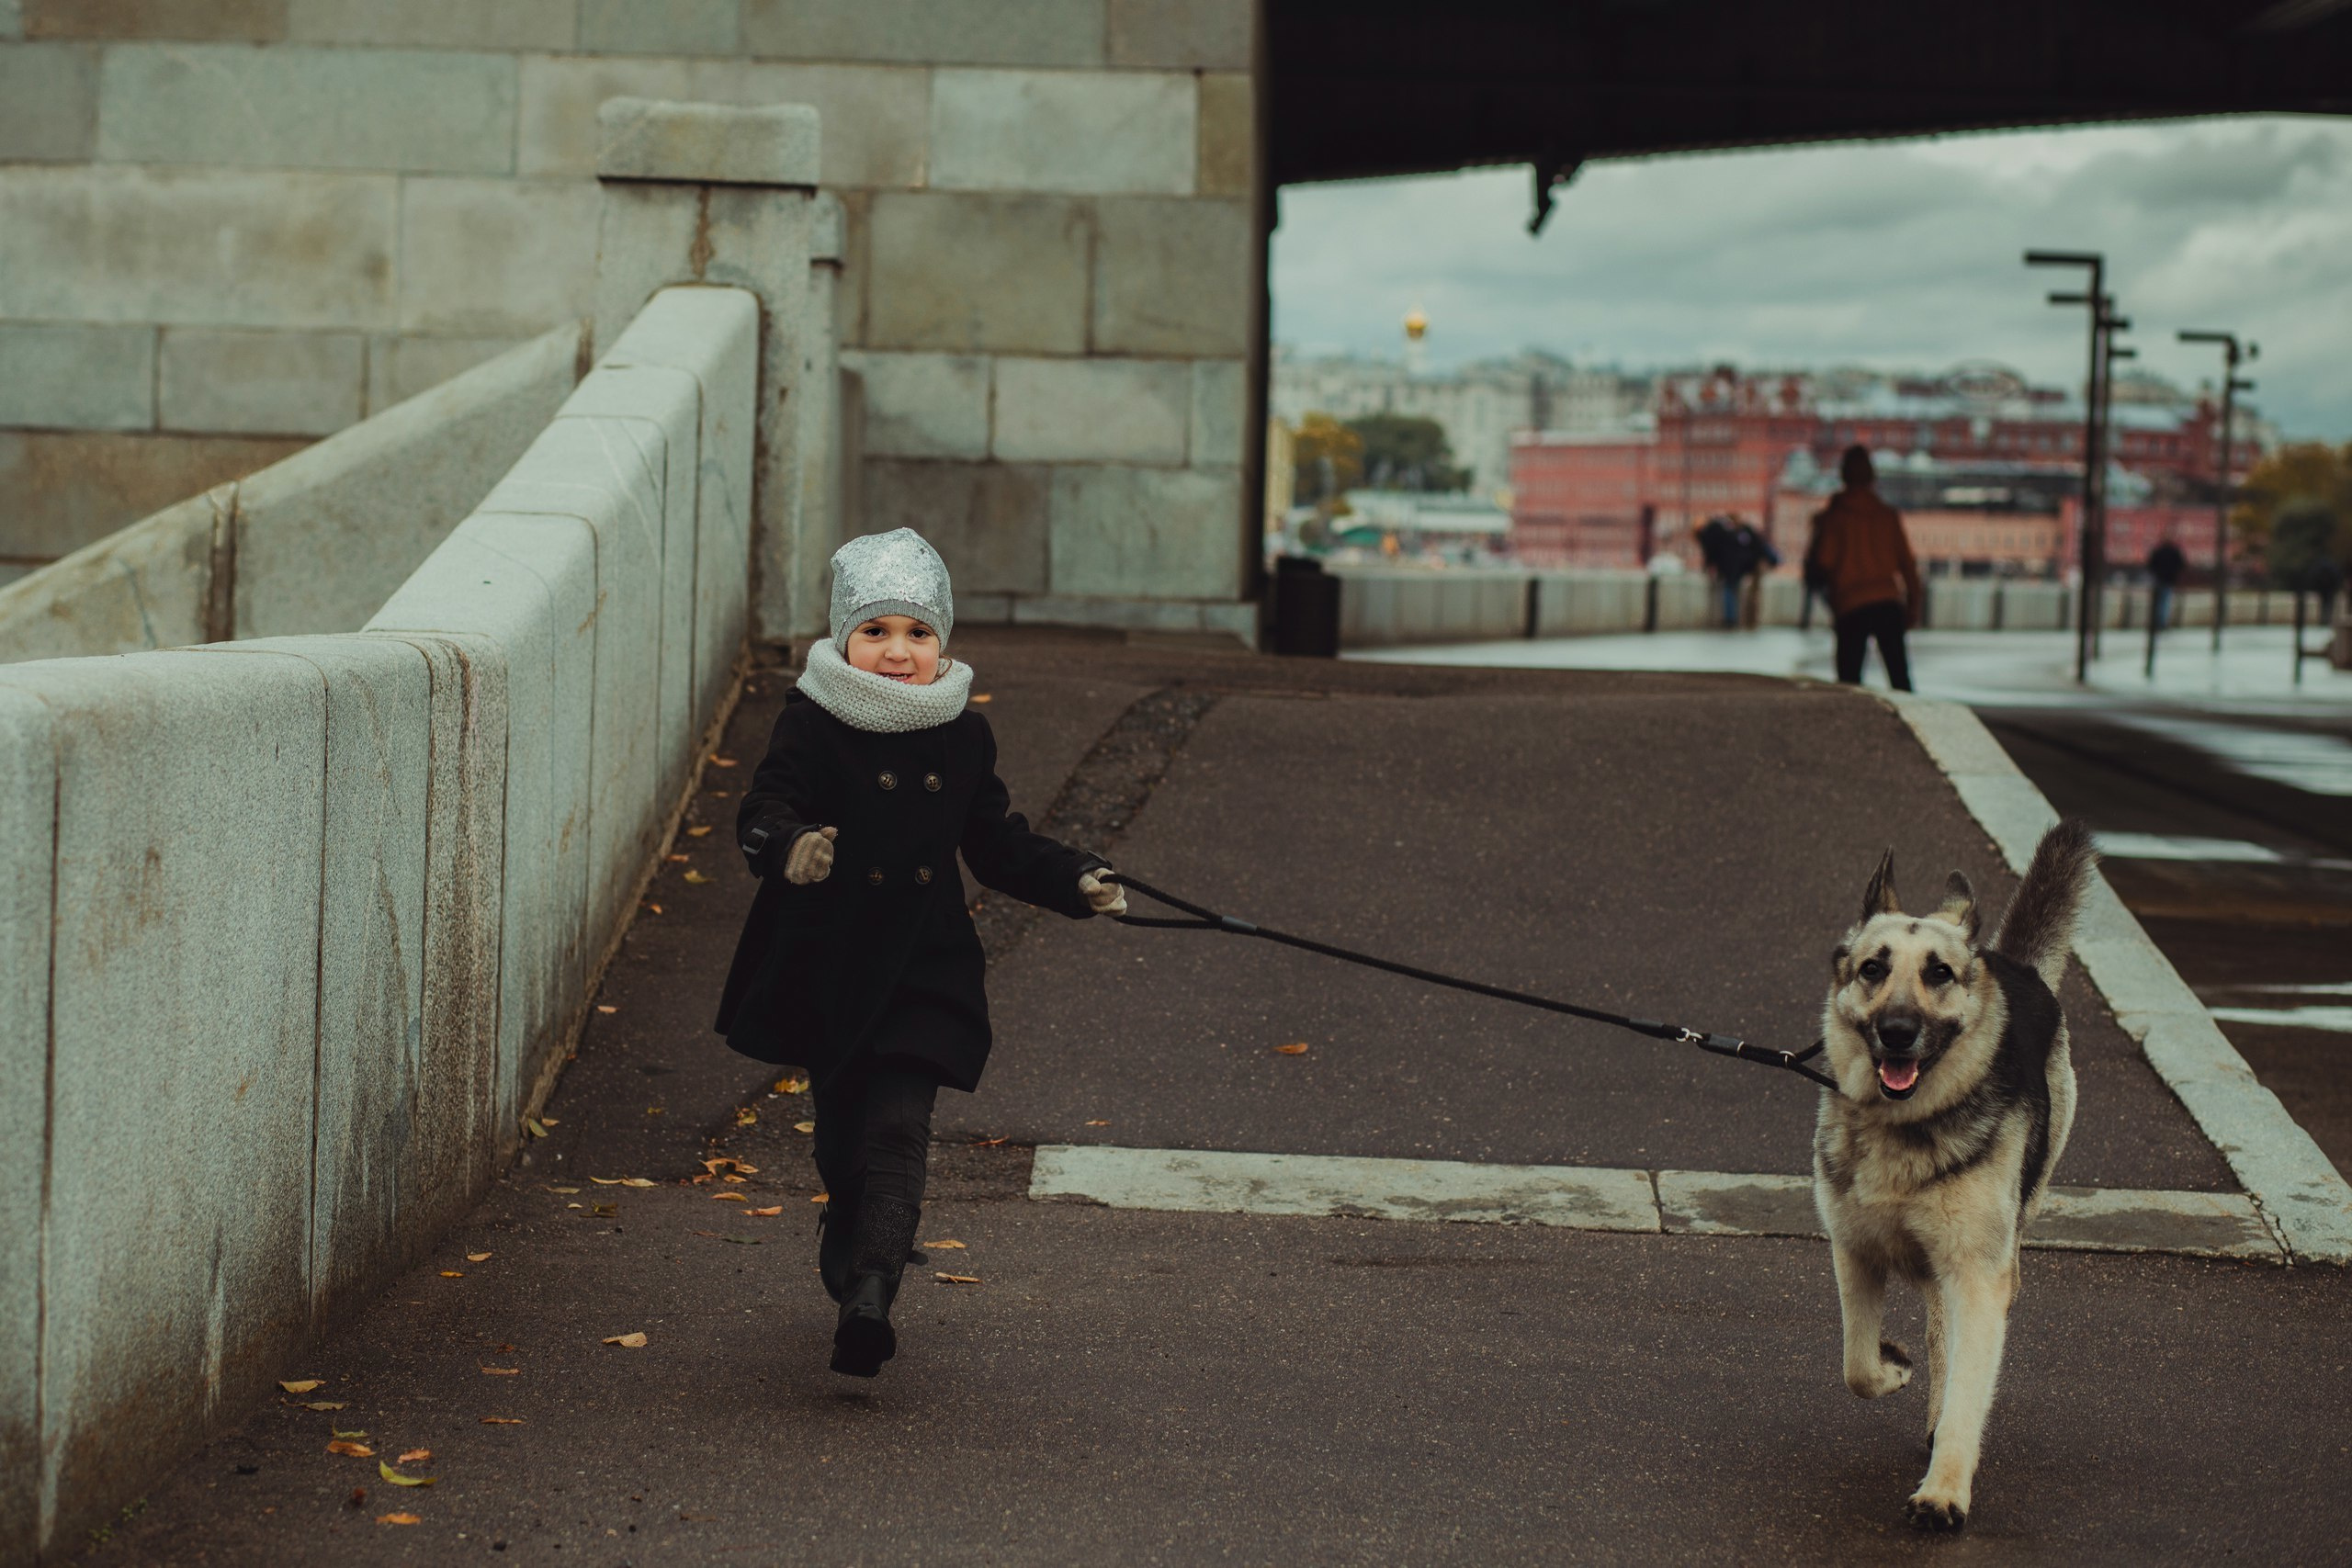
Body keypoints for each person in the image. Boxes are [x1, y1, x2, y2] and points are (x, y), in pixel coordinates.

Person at [715, 529, 1127, 1379]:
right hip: (828, 960)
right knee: (842, 1136)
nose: (898, 652)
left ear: (943, 642)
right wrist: (789, 845)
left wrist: (1077, 878)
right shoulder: (811, 720)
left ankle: (872, 1292)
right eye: (876, 632)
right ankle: (849, 1218)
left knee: (901, 1124)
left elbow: (997, 844)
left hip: (922, 963)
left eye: (917, 633)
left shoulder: (963, 739)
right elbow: (766, 803)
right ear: (843, 639)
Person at [1806, 446, 1922, 691]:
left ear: (1843, 475)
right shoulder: (1886, 515)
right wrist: (1913, 604)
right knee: (1900, 678)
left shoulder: (1835, 518)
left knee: (1849, 683)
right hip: (1888, 603)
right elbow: (1907, 565)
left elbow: (1824, 562)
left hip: (1851, 606)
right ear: (1872, 476)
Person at [2147, 536, 2186, 632]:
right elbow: (2181, 564)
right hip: (2169, 579)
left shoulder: (2158, 551)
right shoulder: (2175, 552)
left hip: (2159, 579)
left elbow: (2151, 564)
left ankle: (2158, 622)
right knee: (2165, 602)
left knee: (2159, 601)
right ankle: (2162, 623)